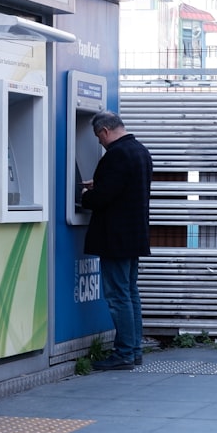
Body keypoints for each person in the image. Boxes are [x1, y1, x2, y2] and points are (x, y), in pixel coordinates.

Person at [80, 110, 153, 371]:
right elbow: (123, 190)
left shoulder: (116, 155)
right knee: (130, 293)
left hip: (115, 238)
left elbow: (103, 198)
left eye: (98, 137)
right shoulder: (140, 151)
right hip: (133, 236)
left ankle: (124, 353)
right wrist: (98, 184)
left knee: (118, 296)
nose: (99, 142)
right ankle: (133, 351)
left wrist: (85, 195)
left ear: (104, 132)